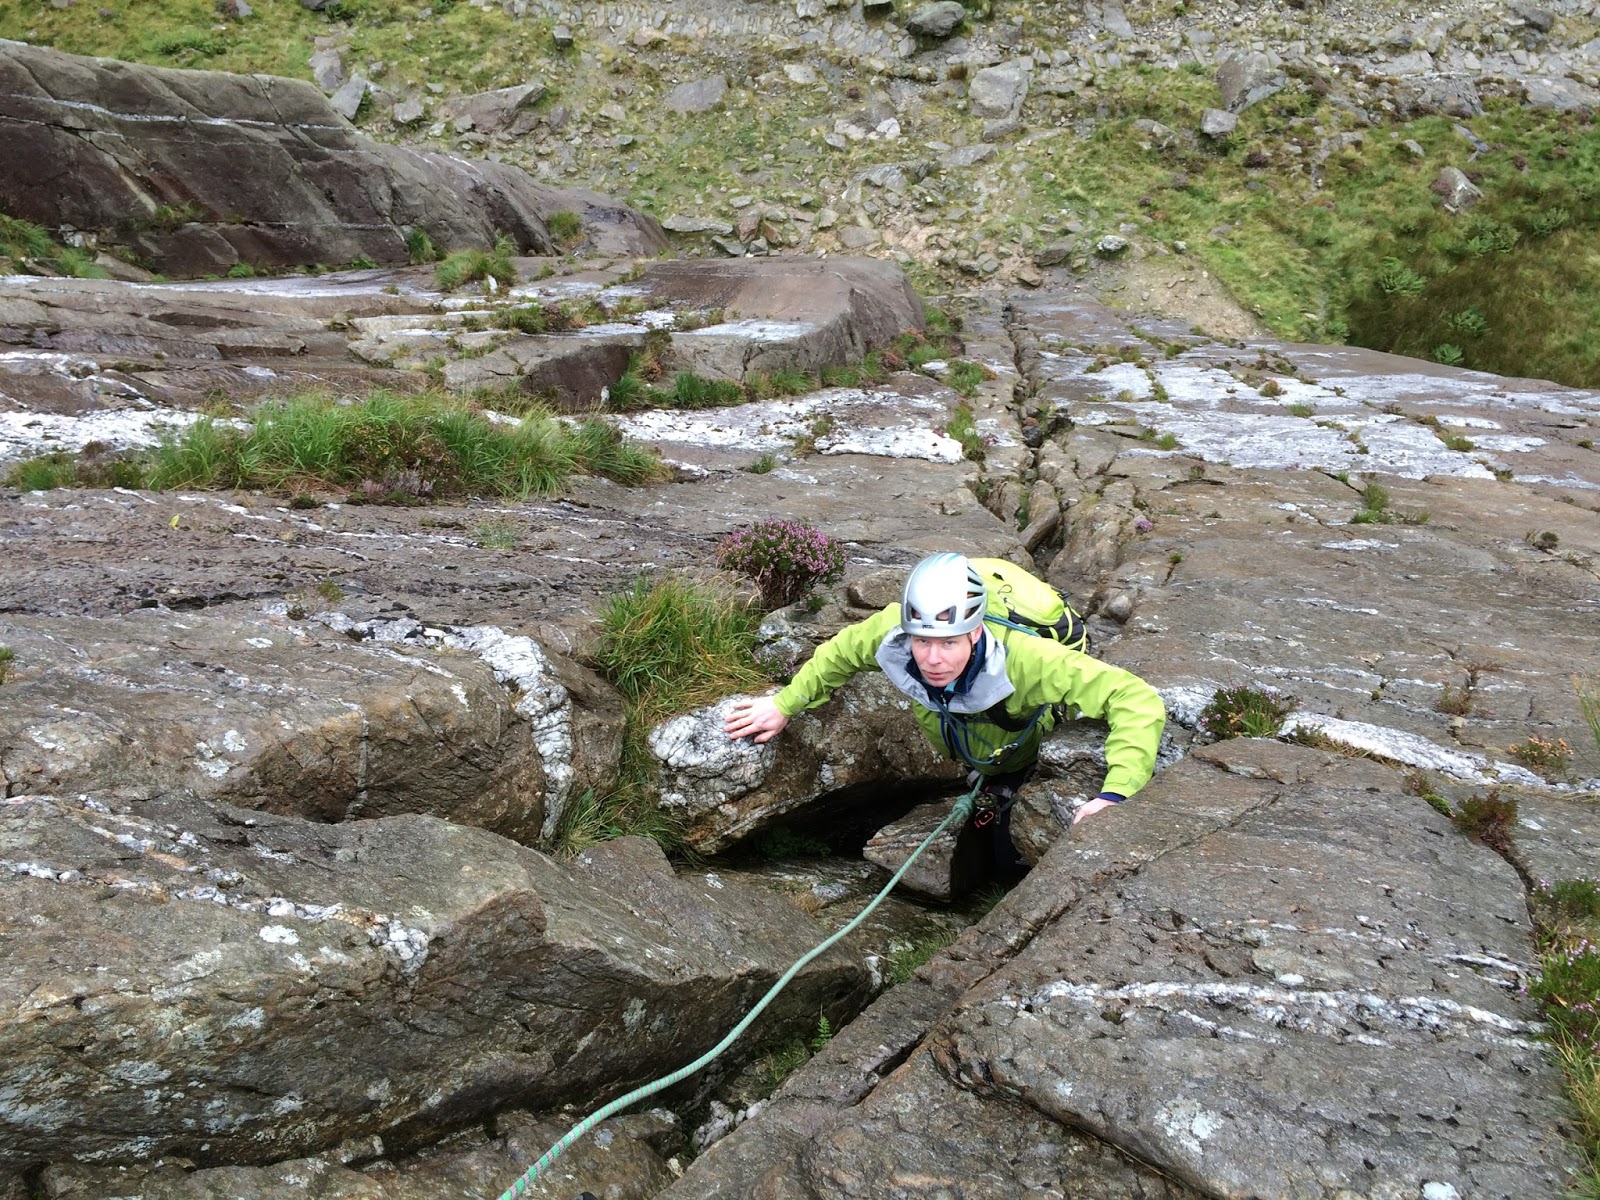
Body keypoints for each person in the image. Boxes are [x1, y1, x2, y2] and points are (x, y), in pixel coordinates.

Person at [724, 552, 1166, 869]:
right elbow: (839, 653)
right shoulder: (893, 631)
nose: (932, 659)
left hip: (1018, 732)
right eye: (923, 642)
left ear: (975, 634)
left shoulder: (1028, 661)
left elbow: (1135, 698)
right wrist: (783, 704)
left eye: (949, 643)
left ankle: (1004, 781)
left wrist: (1116, 792)